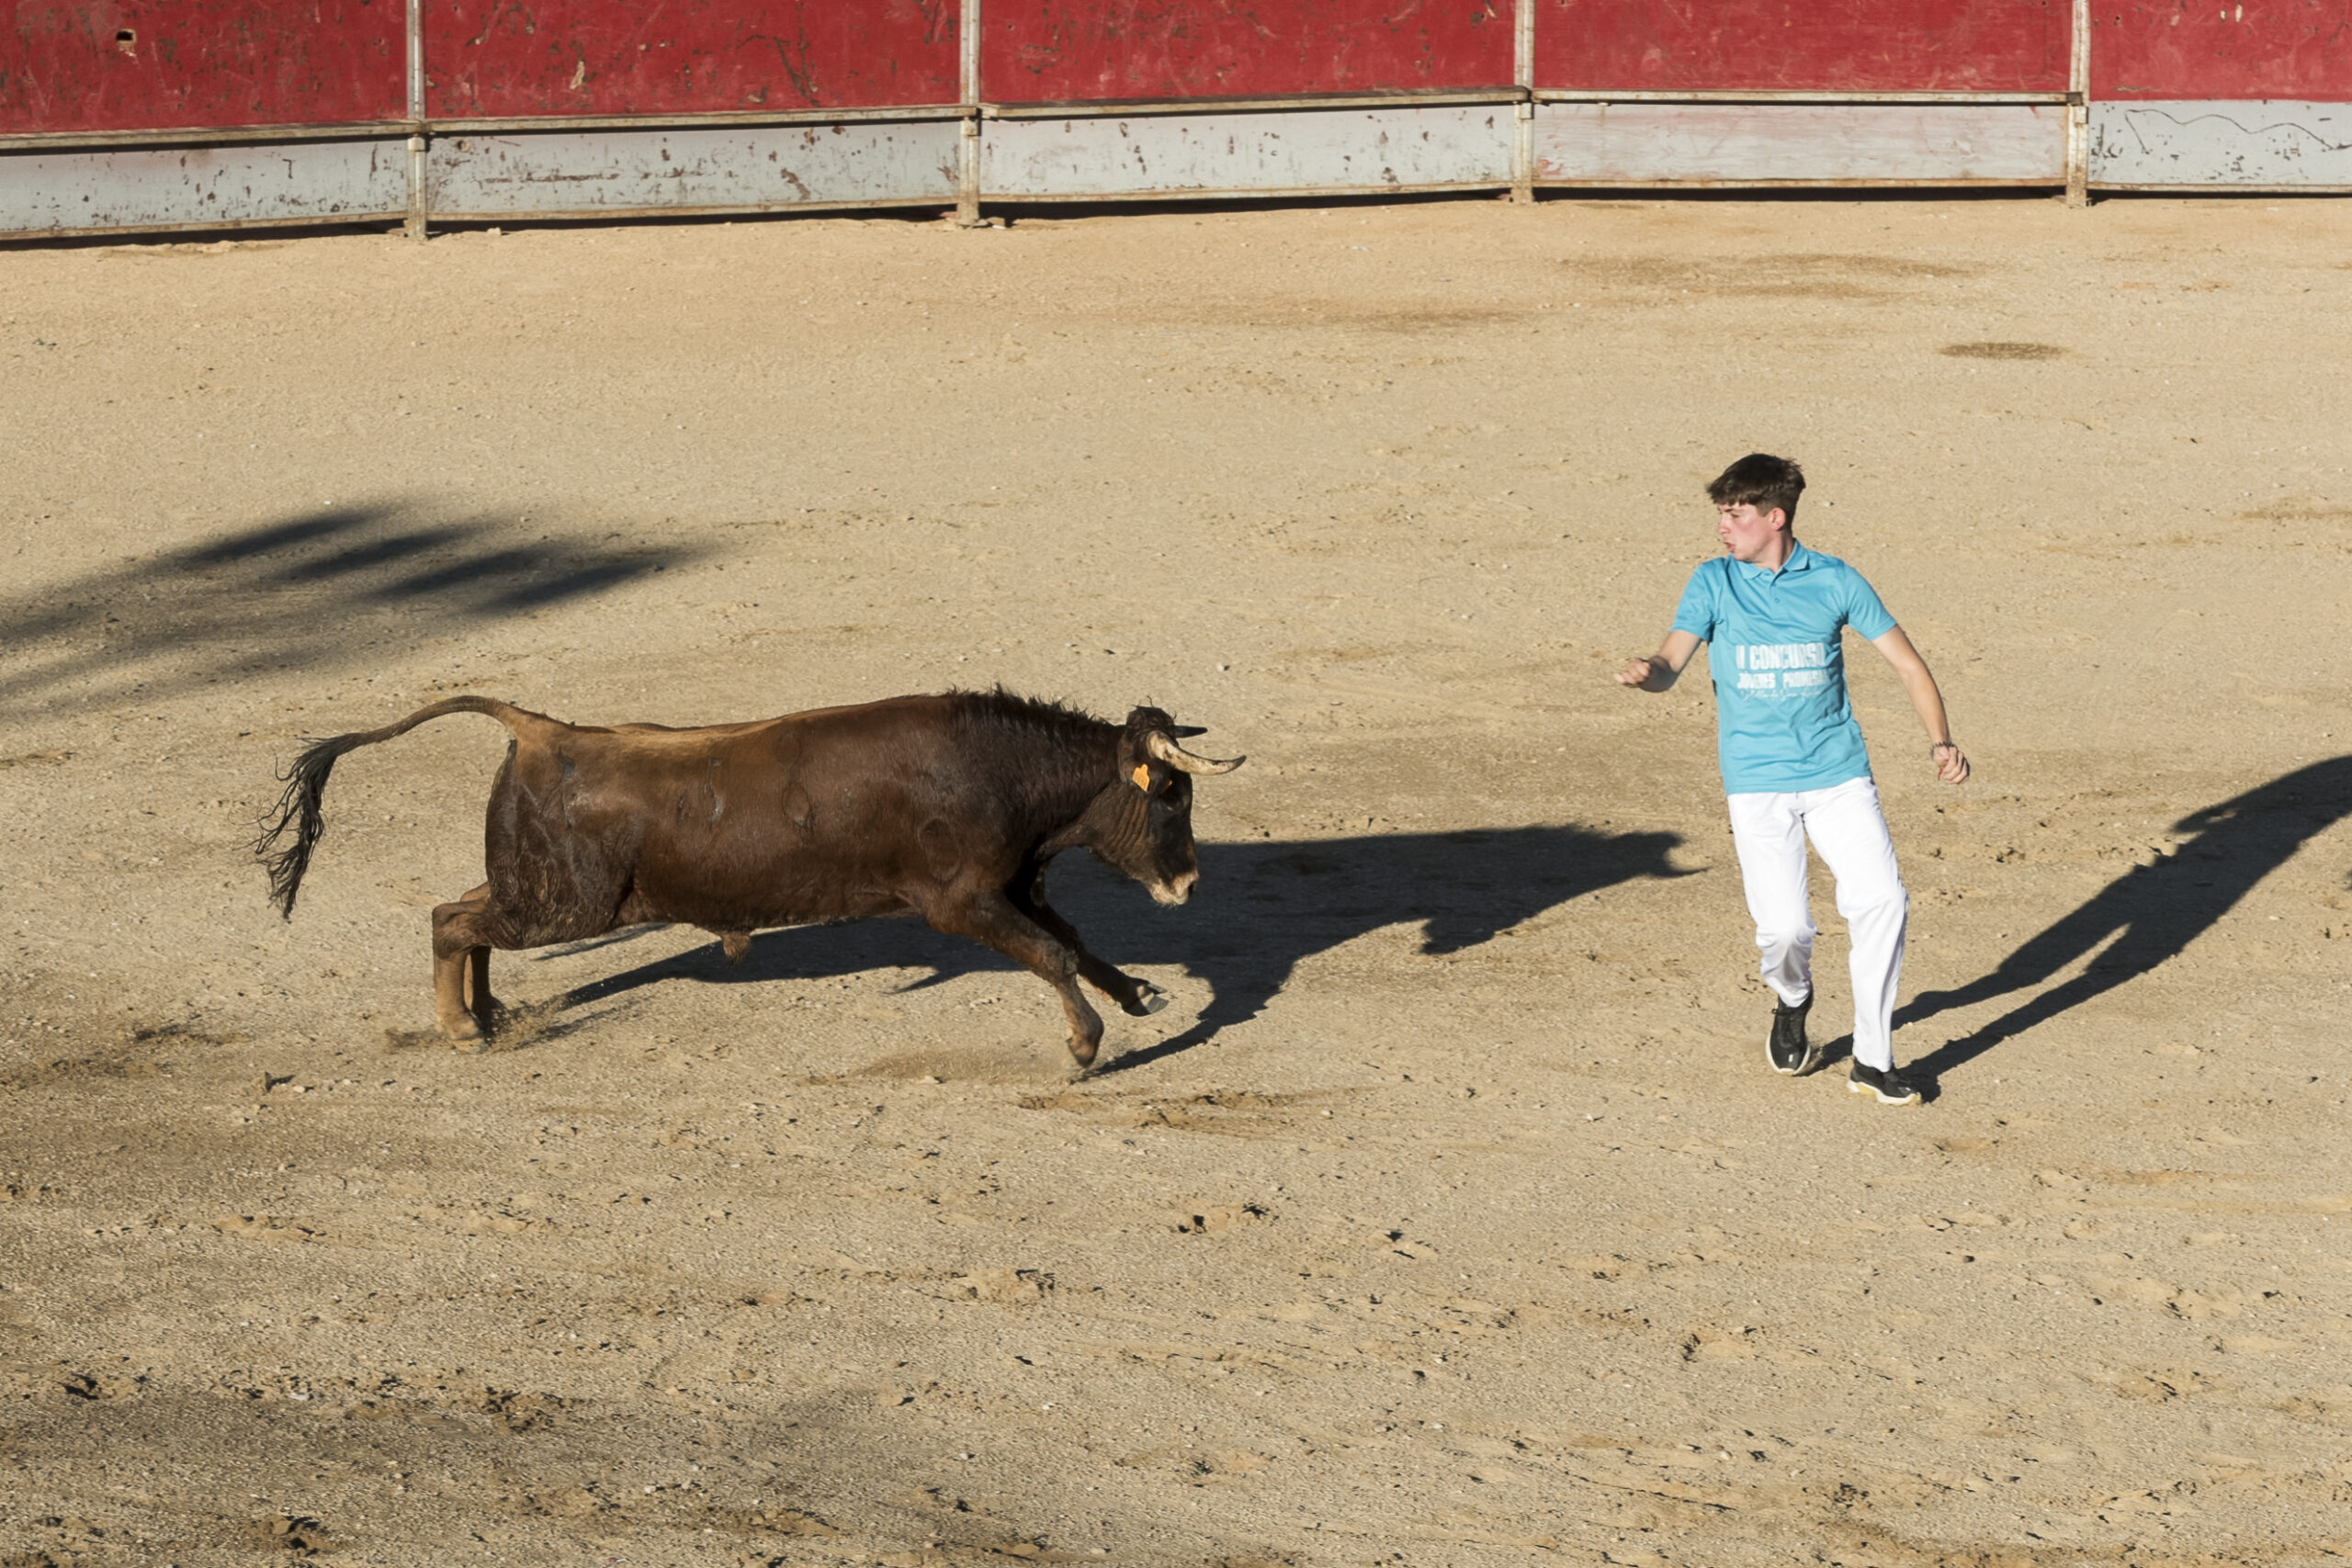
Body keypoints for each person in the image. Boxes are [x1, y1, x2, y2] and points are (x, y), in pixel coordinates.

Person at [1615, 454, 1968, 1105]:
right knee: (1785, 932)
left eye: (1736, 514)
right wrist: (1650, 672)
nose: (1723, 526)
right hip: (1757, 783)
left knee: (1883, 901)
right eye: (1721, 513)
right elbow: (1672, 661)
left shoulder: (1835, 580)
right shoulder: (1713, 582)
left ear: (1775, 517)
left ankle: (1872, 1057)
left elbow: (1909, 665)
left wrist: (1940, 740)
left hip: (1838, 775)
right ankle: (1792, 996)